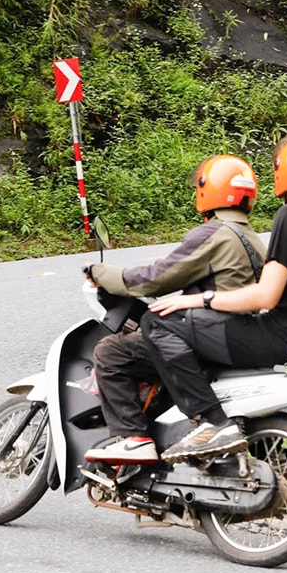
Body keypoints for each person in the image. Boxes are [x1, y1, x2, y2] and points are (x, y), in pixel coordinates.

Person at [140, 135, 287, 462]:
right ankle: (258, 451)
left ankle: (212, 423)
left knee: (158, 321)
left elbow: (266, 296)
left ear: (282, 173)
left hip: (283, 337)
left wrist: (201, 299)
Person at [81, 156, 266, 466]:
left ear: (208, 191)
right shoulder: (254, 239)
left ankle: (134, 438)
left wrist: (102, 273)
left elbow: (155, 278)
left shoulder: (213, 234)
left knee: (111, 353)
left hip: (206, 335)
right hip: (240, 337)